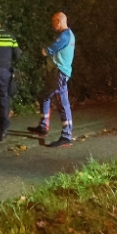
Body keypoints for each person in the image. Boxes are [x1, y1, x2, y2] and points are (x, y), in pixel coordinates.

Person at [28, 12, 76, 148]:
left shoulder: (65, 35)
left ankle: (67, 136)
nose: (52, 25)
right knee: (44, 96)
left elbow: (50, 49)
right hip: (55, 73)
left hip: (59, 73)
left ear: (59, 20)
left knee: (62, 103)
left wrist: (44, 51)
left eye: (53, 21)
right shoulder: (67, 35)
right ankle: (43, 126)